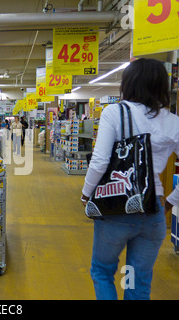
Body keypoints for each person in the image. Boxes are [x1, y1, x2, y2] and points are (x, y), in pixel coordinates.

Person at [81, 58, 177, 300]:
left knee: (102, 271)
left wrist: (85, 194)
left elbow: (100, 160)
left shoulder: (114, 112)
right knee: (137, 280)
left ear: (129, 83)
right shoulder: (173, 122)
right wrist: (171, 200)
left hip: (116, 209)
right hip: (153, 210)